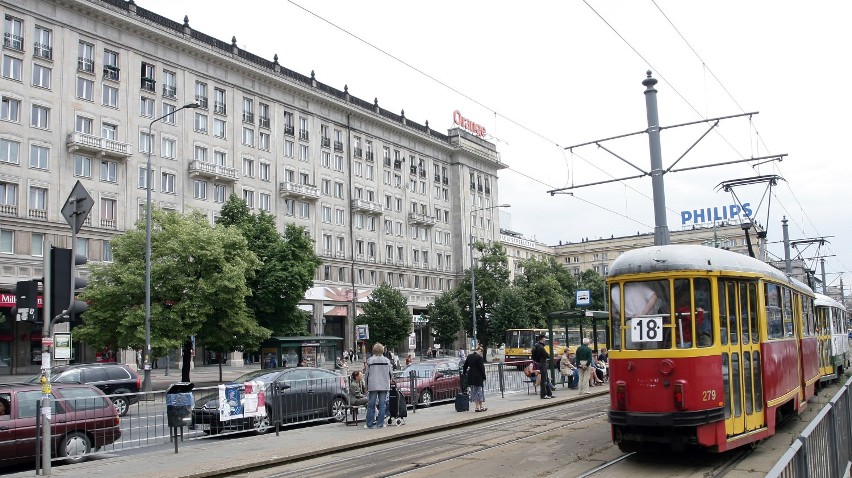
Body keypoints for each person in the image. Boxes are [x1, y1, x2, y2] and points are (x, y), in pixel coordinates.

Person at [364, 343, 393, 429]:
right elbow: (390, 373)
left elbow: (366, 374)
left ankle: (369, 424)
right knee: (382, 405)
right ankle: (380, 424)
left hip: (373, 385)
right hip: (384, 385)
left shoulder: (370, 360)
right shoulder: (387, 361)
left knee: (371, 405)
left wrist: (366, 385)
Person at [463, 345, 487, 412]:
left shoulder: (469, 356)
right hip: (478, 377)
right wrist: (484, 377)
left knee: (474, 392)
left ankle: (479, 407)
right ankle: (479, 407)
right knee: (479, 392)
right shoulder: (479, 358)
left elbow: (465, 366)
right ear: (480, 351)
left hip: (471, 376)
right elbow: (482, 369)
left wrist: (464, 372)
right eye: (481, 352)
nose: (481, 353)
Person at [531, 334, 554, 399]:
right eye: (544, 338)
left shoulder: (536, 345)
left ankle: (549, 394)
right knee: (544, 380)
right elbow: (546, 355)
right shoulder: (540, 347)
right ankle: (543, 395)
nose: (545, 339)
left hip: (540, 363)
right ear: (542, 338)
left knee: (546, 379)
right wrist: (549, 355)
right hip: (542, 363)